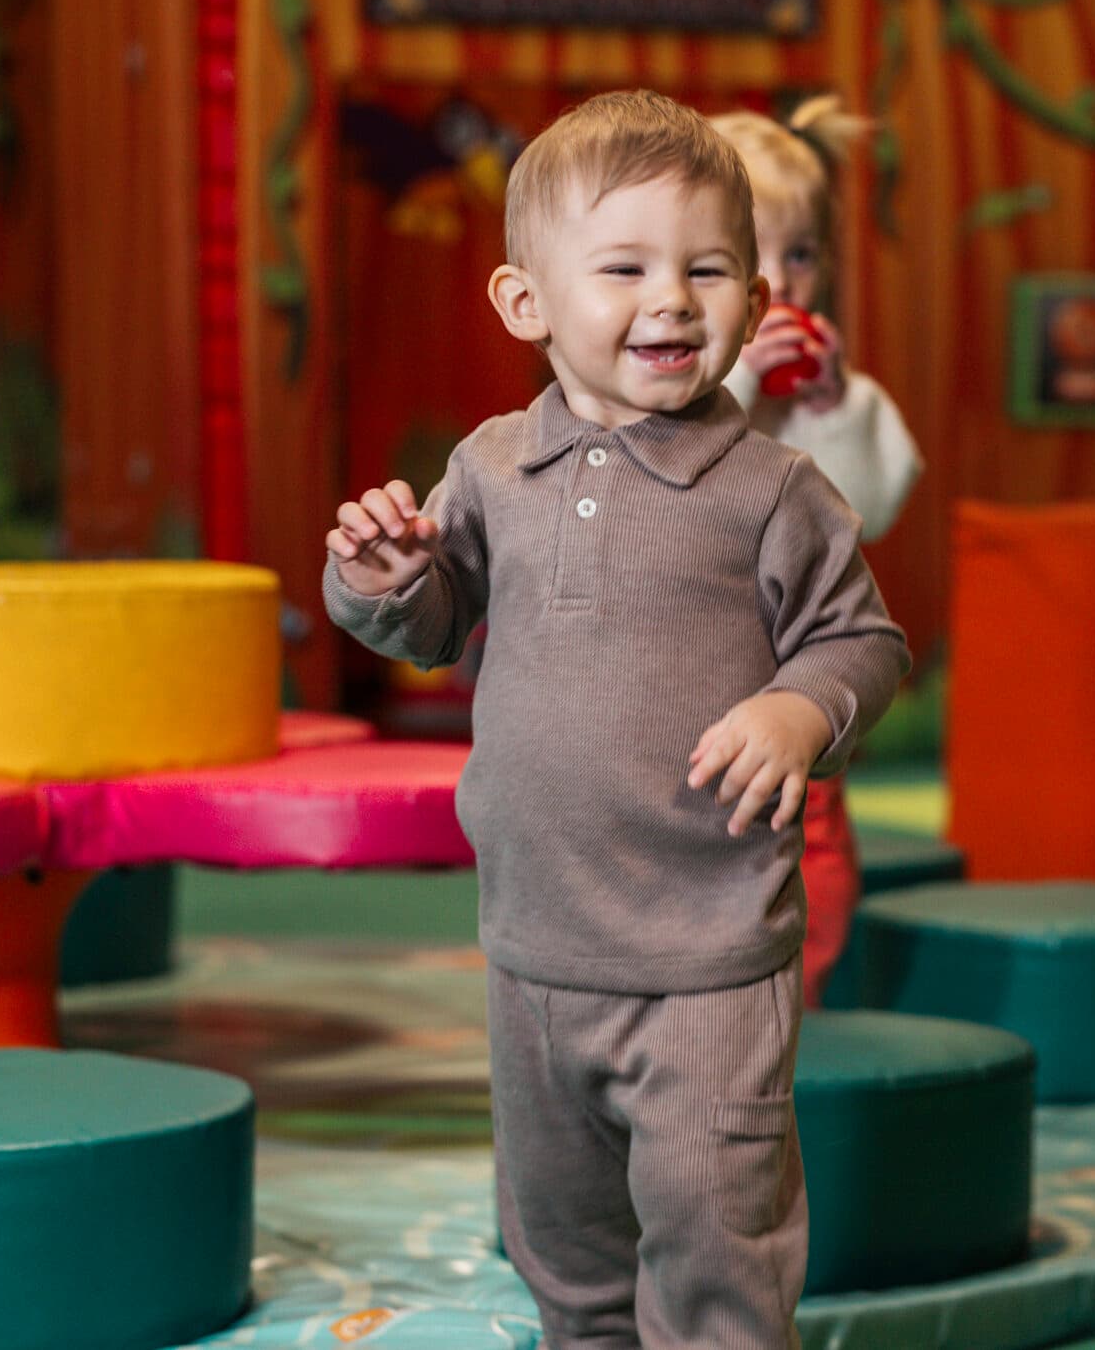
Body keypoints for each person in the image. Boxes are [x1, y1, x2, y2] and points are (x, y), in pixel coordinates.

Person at [323, 91, 908, 1347]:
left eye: (708, 271)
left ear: (754, 299)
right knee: (565, 1250)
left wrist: (798, 709)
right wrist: (385, 579)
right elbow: (430, 627)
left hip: (705, 959)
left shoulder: (773, 491)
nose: (674, 301)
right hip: (533, 950)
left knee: (714, 1248)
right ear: (525, 302)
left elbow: (864, 642)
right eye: (627, 268)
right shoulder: (490, 467)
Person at [713, 99, 924, 1004]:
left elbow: (869, 507)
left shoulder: (835, 395)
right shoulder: (678, 386)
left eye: (800, 255)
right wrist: (740, 376)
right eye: (749, 255)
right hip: (692, 680)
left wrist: (832, 408)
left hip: (796, 682)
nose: (782, 282)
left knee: (816, 845)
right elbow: (671, 459)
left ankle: (801, 994)